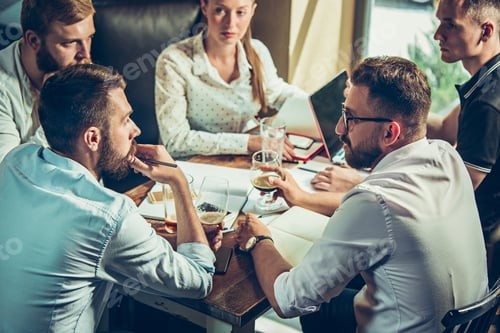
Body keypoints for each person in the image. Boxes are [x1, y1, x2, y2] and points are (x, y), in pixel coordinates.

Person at [235, 56, 489, 332]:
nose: (339, 129)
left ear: (390, 132)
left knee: (292, 309)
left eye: (351, 118)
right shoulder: (446, 156)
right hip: (459, 324)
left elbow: (288, 300)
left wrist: (259, 239)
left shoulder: (373, 202)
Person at [0, 64, 222, 332]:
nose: (136, 130)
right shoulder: (110, 216)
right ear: (93, 138)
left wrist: (173, 238)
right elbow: (198, 281)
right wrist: (178, 181)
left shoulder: (16, 159)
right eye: (126, 120)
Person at [155, 0, 306, 159]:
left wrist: (320, 104)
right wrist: (248, 143)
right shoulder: (173, 61)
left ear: (252, 11)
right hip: (194, 163)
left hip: (241, 159)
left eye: (240, 12)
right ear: (205, 7)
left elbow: (277, 93)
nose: (231, 23)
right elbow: (175, 141)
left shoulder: (257, 51)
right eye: (220, 10)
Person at [429, 0, 500, 247]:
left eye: (450, 25)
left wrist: (360, 184)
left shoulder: (488, 103)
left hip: (469, 244)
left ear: (486, 31)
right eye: (439, 22)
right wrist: (379, 105)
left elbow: (449, 194)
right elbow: (442, 130)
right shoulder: (488, 81)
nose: (438, 35)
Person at [0, 0, 95, 162]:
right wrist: (58, 112)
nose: (85, 54)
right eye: (70, 42)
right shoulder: (3, 87)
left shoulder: (80, 70)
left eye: (89, 37)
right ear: (33, 40)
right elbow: (6, 175)